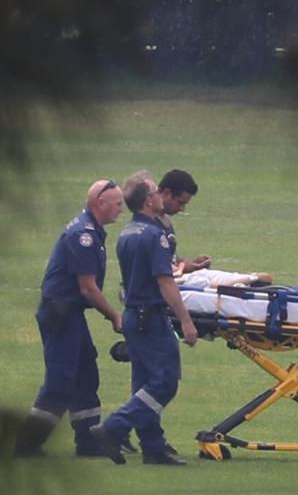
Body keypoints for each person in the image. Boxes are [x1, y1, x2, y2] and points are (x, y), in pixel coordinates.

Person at [90, 172, 198, 466]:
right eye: (154, 192)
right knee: (164, 383)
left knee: (144, 384)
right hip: (150, 317)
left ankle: (152, 446)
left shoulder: (128, 232)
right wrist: (186, 321)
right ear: (149, 200)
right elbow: (165, 282)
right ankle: (113, 429)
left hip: (133, 316)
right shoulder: (154, 236)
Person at [14, 179, 126, 458]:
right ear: (100, 203)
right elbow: (87, 288)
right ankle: (26, 444)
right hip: (60, 313)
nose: (121, 209)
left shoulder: (94, 231)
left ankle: (88, 441)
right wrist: (114, 315)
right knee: (60, 381)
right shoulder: (83, 235)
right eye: (117, 204)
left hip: (70, 313)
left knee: (86, 374)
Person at [155, 169, 209, 275]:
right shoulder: (150, 226)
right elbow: (160, 269)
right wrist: (186, 267)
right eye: (180, 202)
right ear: (166, 193)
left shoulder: (165, 220)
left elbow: (170, 259)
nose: (182, 209)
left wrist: (193, 263)